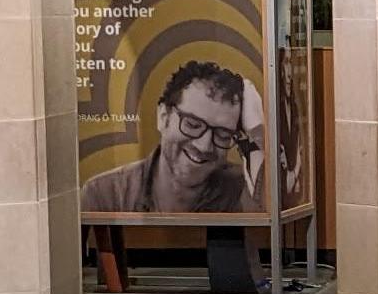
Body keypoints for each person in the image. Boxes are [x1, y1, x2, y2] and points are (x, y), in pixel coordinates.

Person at [81, 59, 259, 215]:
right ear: (163, 118)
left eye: (222, 134)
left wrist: (258, 132)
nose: (204, 146)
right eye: (193, 124)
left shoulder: (245, 194)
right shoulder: (104, 195)